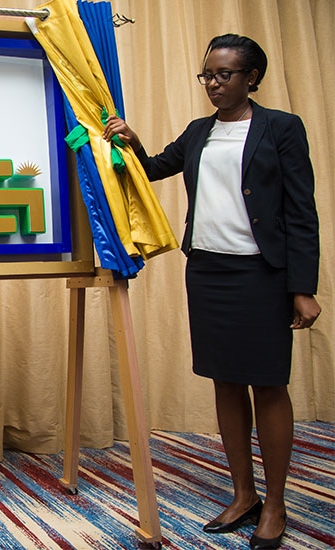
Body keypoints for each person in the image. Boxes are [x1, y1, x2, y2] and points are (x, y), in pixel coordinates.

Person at [103, 34, 320, 549]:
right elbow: (155, 168)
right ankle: (243, 495)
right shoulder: (199, 132)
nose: (214, 84)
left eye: (224, 75)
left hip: (262, 275)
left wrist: (302, 288)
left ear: (251, 78)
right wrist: (129, 141)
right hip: (208, 274)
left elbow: (301, 213)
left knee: (268, 384)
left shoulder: (282, 129)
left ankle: (277, 503)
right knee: (225, 381)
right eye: (207, 75)